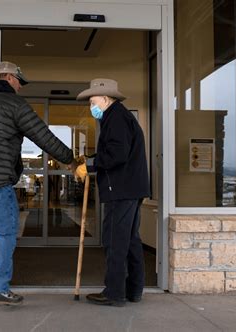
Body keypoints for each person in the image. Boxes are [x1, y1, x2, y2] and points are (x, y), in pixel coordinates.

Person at [0, 61, 77, 306]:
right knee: (5, 232)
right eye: (19, 81)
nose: (20, 87)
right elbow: (43, 136)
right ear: (8, 77)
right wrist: (69, 159)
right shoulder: (14, 104)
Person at [74, 78, 150, 307]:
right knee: (130, 240)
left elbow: (117, 154)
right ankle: (133, 290)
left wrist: (89, 166)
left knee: (114, 241)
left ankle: (115, 293)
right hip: (131, 188)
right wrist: (91, 162)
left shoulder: (115, 117)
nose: (91, 107)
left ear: (106, 99)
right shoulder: (120, 117)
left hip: (122, 190)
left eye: (93, 102)